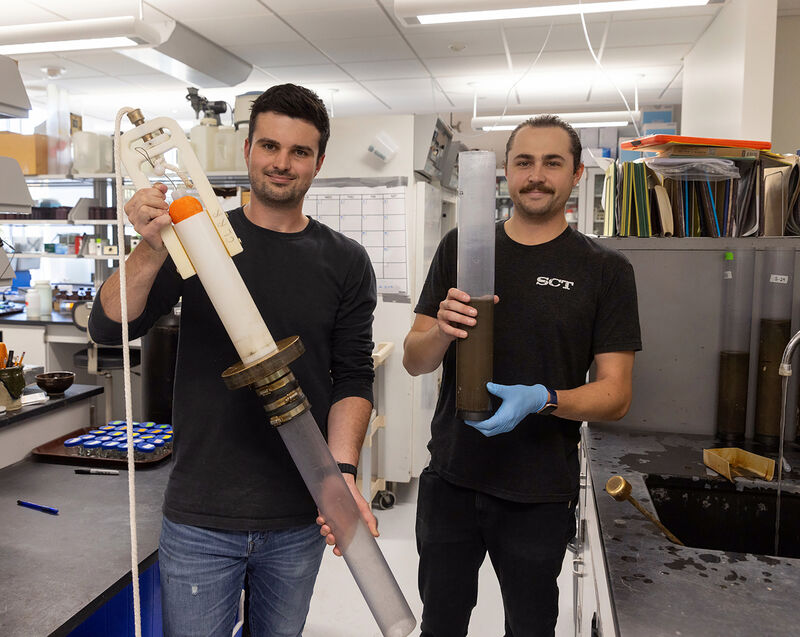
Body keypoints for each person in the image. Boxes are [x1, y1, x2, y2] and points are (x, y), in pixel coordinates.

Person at [89, 83, 378, 637]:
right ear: (247, 150)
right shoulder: (195, 240)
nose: (282, 163)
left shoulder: (345, 260)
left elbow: (355, 377)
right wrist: (150, 245)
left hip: (298, 512)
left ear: (319, 160)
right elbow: (109, 327)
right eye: (270, 146)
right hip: (201, 514)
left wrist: (340, 476)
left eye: (299, 151)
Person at [403, 115, 642, 637]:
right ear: (506, 173)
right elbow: (414, 360)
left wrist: (543, 398)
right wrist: (441, 331)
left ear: (576, 173)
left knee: (530, 628)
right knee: (440, 624)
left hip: (538, 491)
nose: (536, 175)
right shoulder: (461, 249)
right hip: (452, 478)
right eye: (524, 162)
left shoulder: (605, 270)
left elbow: (616, 394)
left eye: (552, 163)